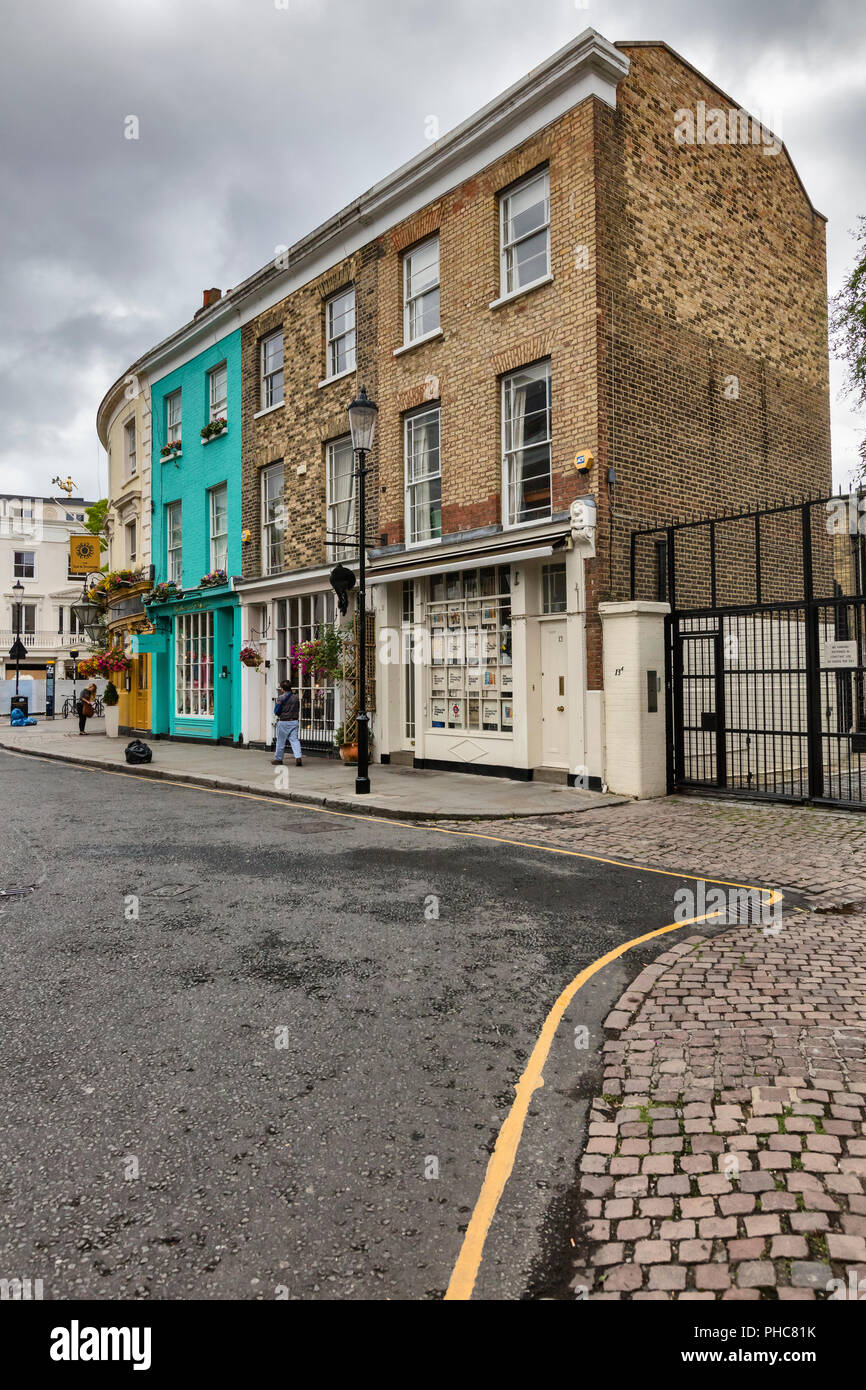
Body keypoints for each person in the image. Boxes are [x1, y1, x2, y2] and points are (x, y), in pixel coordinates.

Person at [272, 680, 302, 766]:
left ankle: (278, 759)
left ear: (282, 689)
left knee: (281, 741)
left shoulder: (281, 698)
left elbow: (276, 711)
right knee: (295, 740)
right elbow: (298, 709)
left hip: (284, 722)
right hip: (294, 721)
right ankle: (298, 757)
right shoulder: (296, 698)